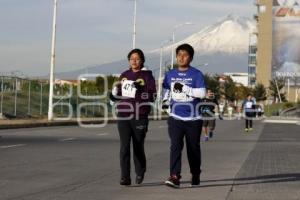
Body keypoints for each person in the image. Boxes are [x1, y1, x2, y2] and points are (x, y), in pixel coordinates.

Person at [109, 49, 156, 186]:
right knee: (124, 147)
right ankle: (125, 177)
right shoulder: (124, 75)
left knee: (137, 146)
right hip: (123, 114)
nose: (134, 61)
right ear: (129, 60)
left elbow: (153, 95)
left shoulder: (147, 76)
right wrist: (113, 94)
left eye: (137, 58)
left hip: (139, 115)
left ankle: (140, 171)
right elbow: (117, 94)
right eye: (132, 58)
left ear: (142, 60)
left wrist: (140, 90)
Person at [162, 44, 206, 188]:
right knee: (175, 146)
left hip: (193, 118)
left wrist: (185, 88)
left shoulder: (197, 74)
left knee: (192, 148)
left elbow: (202, 93)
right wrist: (165, 103)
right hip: (175, 117)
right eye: (179, 54)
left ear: (191, 58)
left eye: (185, 55)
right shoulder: (170, 74)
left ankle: (195, 172)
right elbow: (166, 91)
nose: (181, 57)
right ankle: (175, 176)